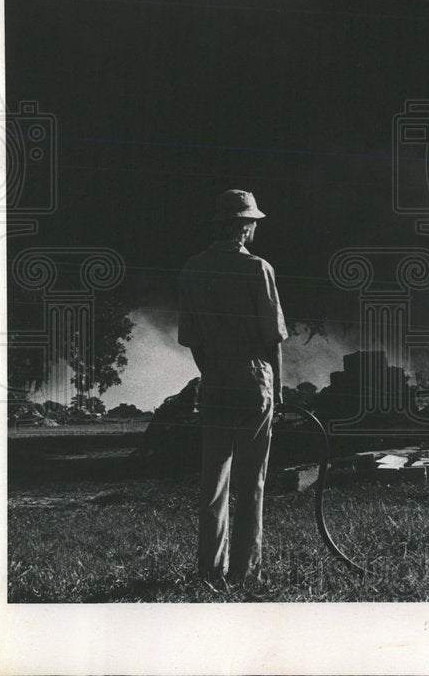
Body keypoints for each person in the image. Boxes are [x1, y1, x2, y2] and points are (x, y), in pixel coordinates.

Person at [178, 189, 287, 585]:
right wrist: (278, 388)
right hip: (253, 375)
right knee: (251, 479)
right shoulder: (258, 269)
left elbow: (192, 338)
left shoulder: (193, 269)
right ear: (243, 227)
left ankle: (210, 571)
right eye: (252, 222)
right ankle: (245, 572)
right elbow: (273, 338)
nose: (254, 228)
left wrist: (212, 372)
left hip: (214, 378)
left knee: (214, 478)